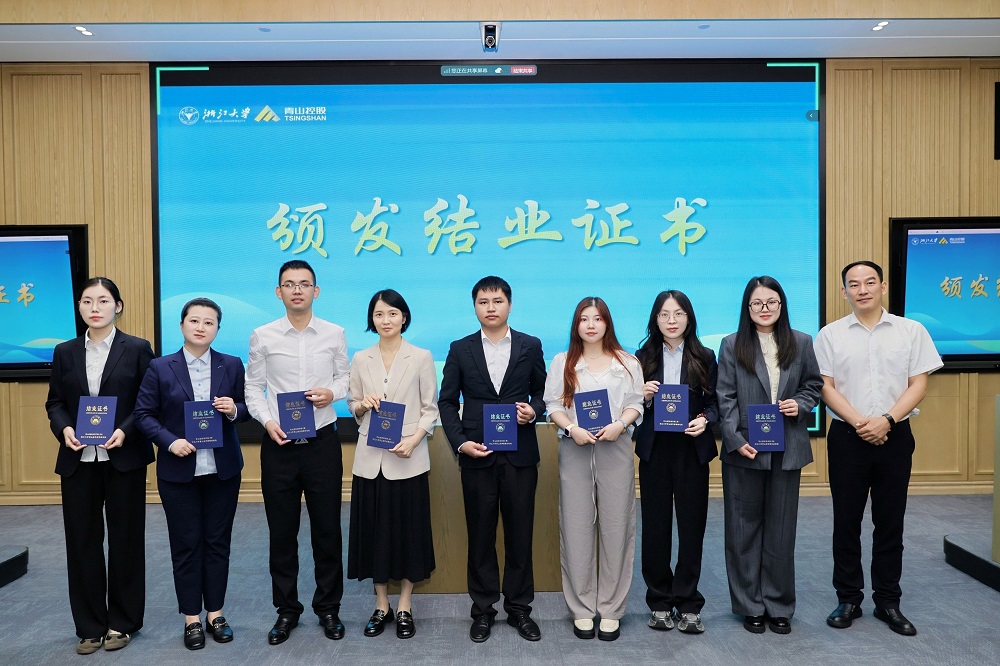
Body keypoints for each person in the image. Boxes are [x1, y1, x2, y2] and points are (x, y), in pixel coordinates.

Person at [815, 261, 942, 637]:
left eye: (870, 282)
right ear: (844, 292)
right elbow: (825, 386)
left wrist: (887, 420)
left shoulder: (911, 330)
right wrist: (860, 422)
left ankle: (888, 601)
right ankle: (848, 598)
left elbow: (919, 383)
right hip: (846, 437)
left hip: (895, 436)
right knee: (846, 522)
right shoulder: (830, 335)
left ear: (883, 287)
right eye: (854, 284)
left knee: (890, 521)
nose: (863, 289)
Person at [44, 277, 155, 655]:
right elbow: (55, 402)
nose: (95, 308)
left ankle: (123, 622)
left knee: (126, 540)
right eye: (87, 301)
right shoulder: (65, 351)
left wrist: (125, 431)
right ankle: (90, 626)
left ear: (117, 306)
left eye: (103, 301)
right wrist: (65, 429)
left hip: (123, 457)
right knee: (82, 542)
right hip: (78, 459)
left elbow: (147, 402)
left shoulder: (137, 348)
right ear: (79, 307)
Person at [245, 260, 350, 645]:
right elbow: (253, 387)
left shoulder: (335, 333)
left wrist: (332, 393)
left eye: (304, 284)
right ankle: (287, 609)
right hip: (280, 446)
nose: (297, 290)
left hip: (322, 443)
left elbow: (346, 377)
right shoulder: (263, 335)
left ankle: (329, 608)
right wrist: (267, 421)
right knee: (282, 532)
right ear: (279, 292)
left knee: (327, 530)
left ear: (315, 291)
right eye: (289, 284)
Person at [134, 298, 248, 650]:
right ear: (182, 325)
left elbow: (246, 407)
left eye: (209, 322)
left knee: (218, 542)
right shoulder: (160, 367)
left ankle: (216, 613)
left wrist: (233, 410)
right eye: (194, 320)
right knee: (186, 544)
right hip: (178, 471)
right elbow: (143, 415)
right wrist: (170, 442)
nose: (201, 327)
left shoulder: (231, 364)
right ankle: (191, 618)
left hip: (222, 470)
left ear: (217, 329)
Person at [438, 276, 547, 643]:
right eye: (483, 302)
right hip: (477, 454)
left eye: (497, 301)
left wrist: (533, 411)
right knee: (481, 535)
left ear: (509, 305)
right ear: (475, 307)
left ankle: (519, 609)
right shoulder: (460, 349)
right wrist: (460, 443)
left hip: (520, 456)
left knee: (520, 534)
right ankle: (483, 610)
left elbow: (542, 393)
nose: (491, 307)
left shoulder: (530, 345)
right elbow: (447, 402)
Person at [717, 276, 822, 635]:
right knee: (742, 529)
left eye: (771, 302)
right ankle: (749, 605)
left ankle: (778, 604)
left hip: (787, 446)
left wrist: (801, 404)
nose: (765, 309)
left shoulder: (801, 341)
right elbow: (725, 396)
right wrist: (734, 439)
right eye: (757, 303)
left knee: (781, 530)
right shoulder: (732, 344)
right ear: (747, 308)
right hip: (744, 448)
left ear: (782, 305)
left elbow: (813, 385)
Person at [543, 296, 644, 642]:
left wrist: (620, 424)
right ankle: (582, 609)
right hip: (575, 448)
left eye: (597, 319)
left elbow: (635, 402)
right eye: (584, 319)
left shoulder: (627, 362)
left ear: (607, 323)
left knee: (617, 527)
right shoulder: (563, 362)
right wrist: (572, 428)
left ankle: (611, 609)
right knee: (575, 528)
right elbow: (553, 404)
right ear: (576, 325)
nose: (590, 325)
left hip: (615, 446)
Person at [347, 289, 439, 640]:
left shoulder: (421, 357)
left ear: (404, 317)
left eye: (392, 313)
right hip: (370, 460)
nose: (385, 320)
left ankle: (404, 604)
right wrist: (361, 405)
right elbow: (353, 403)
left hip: (407, 458)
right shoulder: (361, 358)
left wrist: (414, 440)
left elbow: (430, 409)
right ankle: (381, 604)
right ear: (372, 319)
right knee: (374, 533)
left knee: (408, 533)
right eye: (379, 314)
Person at [633, 290, 718, 635]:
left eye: (679, 313)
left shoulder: (705, 356)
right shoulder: (641, 357)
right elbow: (629, 405)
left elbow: (716, 403)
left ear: (689, 318)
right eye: (665, 314)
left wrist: (705, 420)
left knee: (692, 527)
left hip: (691, 449)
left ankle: (688, 602)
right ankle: (659, 600)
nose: (672, 320)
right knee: (655, 527)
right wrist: (643, 397)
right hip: (655, 450)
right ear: (655, 319)